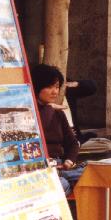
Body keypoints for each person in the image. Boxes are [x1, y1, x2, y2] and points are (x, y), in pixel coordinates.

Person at [31, 64, 83, 196]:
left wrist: (69, 160)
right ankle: (66, 181)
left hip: (60, 165)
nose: (55, 91)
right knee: (61, 184)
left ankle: (65, 177)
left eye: (57, 87)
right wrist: (49, 108)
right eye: (49, 87)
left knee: (93, 174)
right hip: (41, 168)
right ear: (37, 87)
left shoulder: (58, 113)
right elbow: (38, 130)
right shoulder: (29, 112)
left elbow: (73, 143)